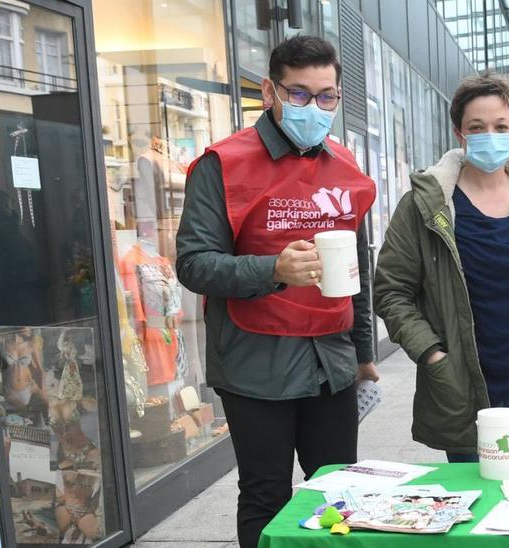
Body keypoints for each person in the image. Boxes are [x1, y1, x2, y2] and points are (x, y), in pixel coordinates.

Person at [175, 36, 377, 548]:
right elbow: (194, 265)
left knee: (338, 492)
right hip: (253, 361)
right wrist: (274, 269)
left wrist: (364, 352)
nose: (315, 107)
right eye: (300, 94)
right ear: (270, 91)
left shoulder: (344, 165)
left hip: (330, 360)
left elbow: (358, 267)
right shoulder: (222, 165)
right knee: (266, 494)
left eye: (327, 95)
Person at [373, 73, 509, 462]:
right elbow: (390, 290)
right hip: (465, 387)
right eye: (476, 127)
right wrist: (432, 354)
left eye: (501, 126)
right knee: (477, 514)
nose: (490, 135)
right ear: (459, 133)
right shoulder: (427, 205)